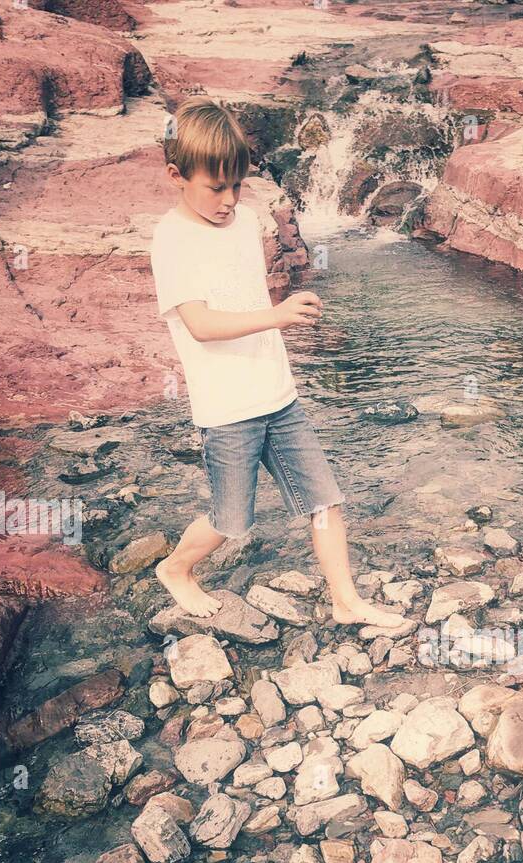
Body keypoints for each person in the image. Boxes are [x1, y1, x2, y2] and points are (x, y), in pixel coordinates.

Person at [149, 96, 405, 628]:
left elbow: (244, 297)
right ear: (177, 175)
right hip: (226, 408)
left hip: (277, 395)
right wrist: (278, 316)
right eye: (215, 187)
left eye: (237, 185)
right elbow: (200, 324)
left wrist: (277, 316)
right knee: (231, 522)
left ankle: (346, 601)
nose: (228, 199)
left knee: (324, 500)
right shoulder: (172, 239)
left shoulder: (243, 222)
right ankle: (175, 568)